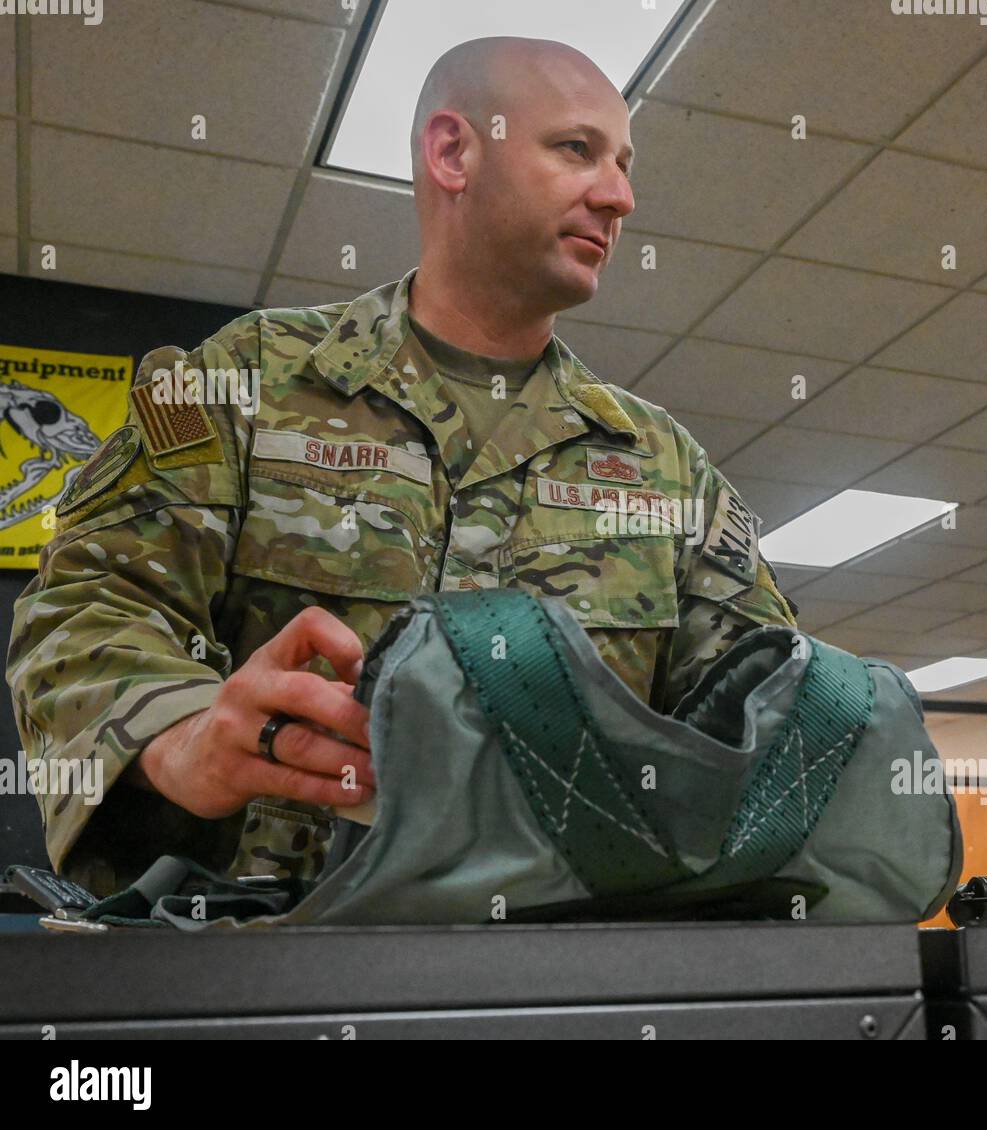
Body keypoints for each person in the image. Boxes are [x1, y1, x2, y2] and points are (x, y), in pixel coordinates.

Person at [6, 37, 798, 897]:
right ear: (454, 151)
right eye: (577, 150)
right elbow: (85, 607)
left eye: (624, 164)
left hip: (574, 981)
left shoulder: (662, 465)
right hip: (274, 967)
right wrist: (182, 733)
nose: (620, 196)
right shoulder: (250, 381)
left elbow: (765, 704)